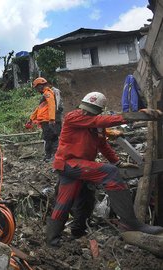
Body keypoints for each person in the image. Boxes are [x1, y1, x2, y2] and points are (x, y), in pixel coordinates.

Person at [46, 91, 163, 246]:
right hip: (68, 164)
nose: (86, 112)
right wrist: (134, 116)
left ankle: (71, 234)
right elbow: (103, 120)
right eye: (85, 109)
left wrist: (118, 162)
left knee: (82, 200)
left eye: (91, 110)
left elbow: (103, 145)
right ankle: (131, 223)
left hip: (80, 167)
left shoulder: (95, 126)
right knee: (110, 173)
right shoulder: (73, 117)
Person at [28, 77, 59, 162]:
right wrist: (31, 119)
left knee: (51, 138)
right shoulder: (44, 96)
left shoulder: (48, 93)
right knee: (48, 138)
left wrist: (52, 119)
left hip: (47, 120)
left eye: (37, 88)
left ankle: (52, 156)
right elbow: (38, 109)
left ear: (40, 86)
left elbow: (52, 105)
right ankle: (49, 156)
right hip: (44, 121)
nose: (37, 90)